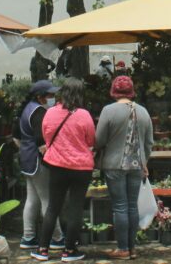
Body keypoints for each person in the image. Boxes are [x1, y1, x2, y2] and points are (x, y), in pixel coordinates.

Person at [30, 78, 96, 263]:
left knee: (53, 207)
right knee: (75, 208)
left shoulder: (49, 113)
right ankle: (69, 250)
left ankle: (42, 249)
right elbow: (91, 140)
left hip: (57, 166)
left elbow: (46, 135)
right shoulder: (84, 115)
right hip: (81, 167)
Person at [95, 75, 153, 261]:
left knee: (119, 207)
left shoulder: (108, 111)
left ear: (114, 91)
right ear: (131, 91)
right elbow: (149, 142)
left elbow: (99, 140)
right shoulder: (143, 111)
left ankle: (122, 249)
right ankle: (133, 248)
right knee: (131, 206)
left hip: (114, 165)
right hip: (137, 165)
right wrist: (144, 162)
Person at [14, 80, 64, 252]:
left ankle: (28, 237)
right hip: (38, 162)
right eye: (50, 95)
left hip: (27, 161)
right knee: (47, 200)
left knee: (32, 199)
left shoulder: (26, 109)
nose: (53, 98)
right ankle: (57, 238)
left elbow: (16, 138)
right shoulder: (39, 113)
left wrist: (25, 150)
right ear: (40, 96)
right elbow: (42, 143)